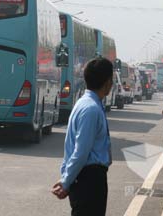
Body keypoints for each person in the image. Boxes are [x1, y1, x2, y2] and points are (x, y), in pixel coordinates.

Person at [52, 58, 113, 216]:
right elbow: (81, 151)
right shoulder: (91, 109)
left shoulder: (85, 103)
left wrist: (67, 177)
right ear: (107, 82)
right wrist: (66, 181)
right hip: (89, 180)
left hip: (86, 179)